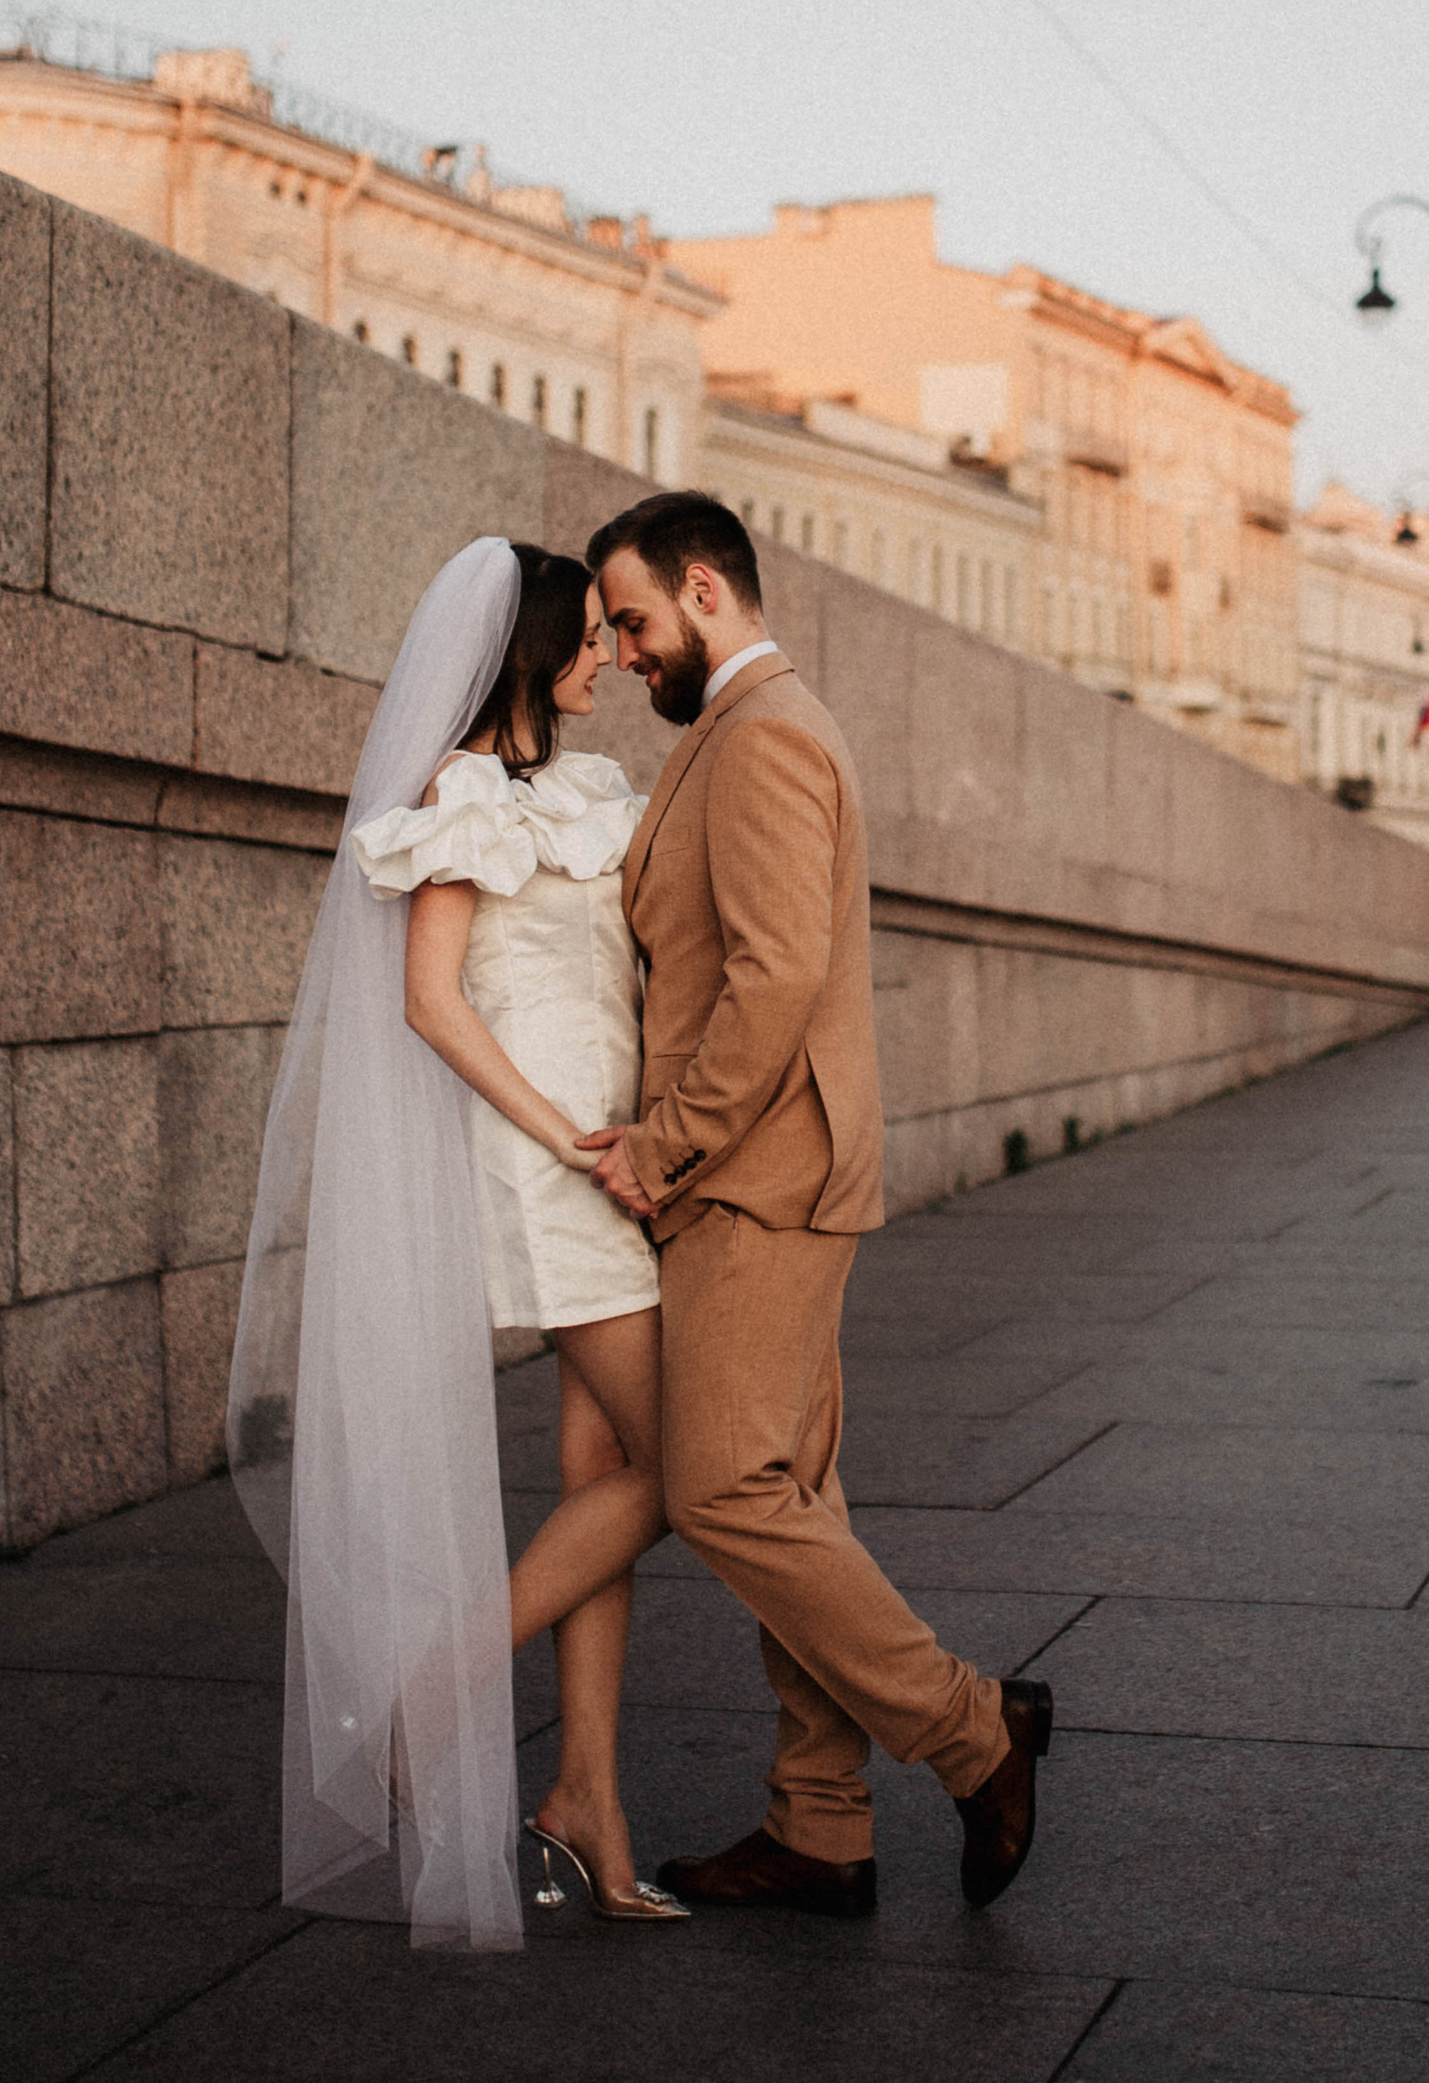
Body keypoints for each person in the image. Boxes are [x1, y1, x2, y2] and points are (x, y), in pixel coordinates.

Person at [572, 491, 1051, 1915]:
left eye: (636, 620)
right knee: (793, 1494)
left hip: (760, 1178)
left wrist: (666, 1147)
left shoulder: (766, 736)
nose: (624, 650)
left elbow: (774, 983)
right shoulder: (740, 733)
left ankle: (976, 1731)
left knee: (722, 1491)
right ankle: (819, 1823)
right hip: (770, 1173)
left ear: (707, 590)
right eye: (608, 629)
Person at [228, 537, 681, 1951]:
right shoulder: (464, 796)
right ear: (536, 651)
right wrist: (566, 1136)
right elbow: (433, 1001)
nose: (610, 656)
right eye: (594, 639)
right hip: (555, 1176)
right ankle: (434, 1700)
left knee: (603, 1468)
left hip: (613, 1162)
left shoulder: (590, 791)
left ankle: (586, 1806)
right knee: (702, 1463)